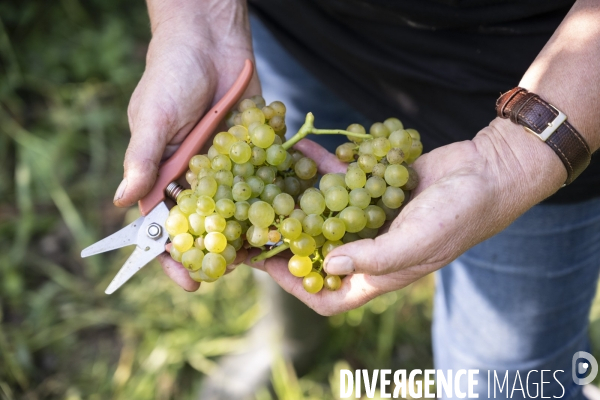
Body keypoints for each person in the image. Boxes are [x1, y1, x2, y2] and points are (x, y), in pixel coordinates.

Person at [113, 0, 600, 398]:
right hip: (298, 32)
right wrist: (199, 19)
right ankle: (288, 339)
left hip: (550, 95)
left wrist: (514, 159)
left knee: (504, 378)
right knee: (287, 204)